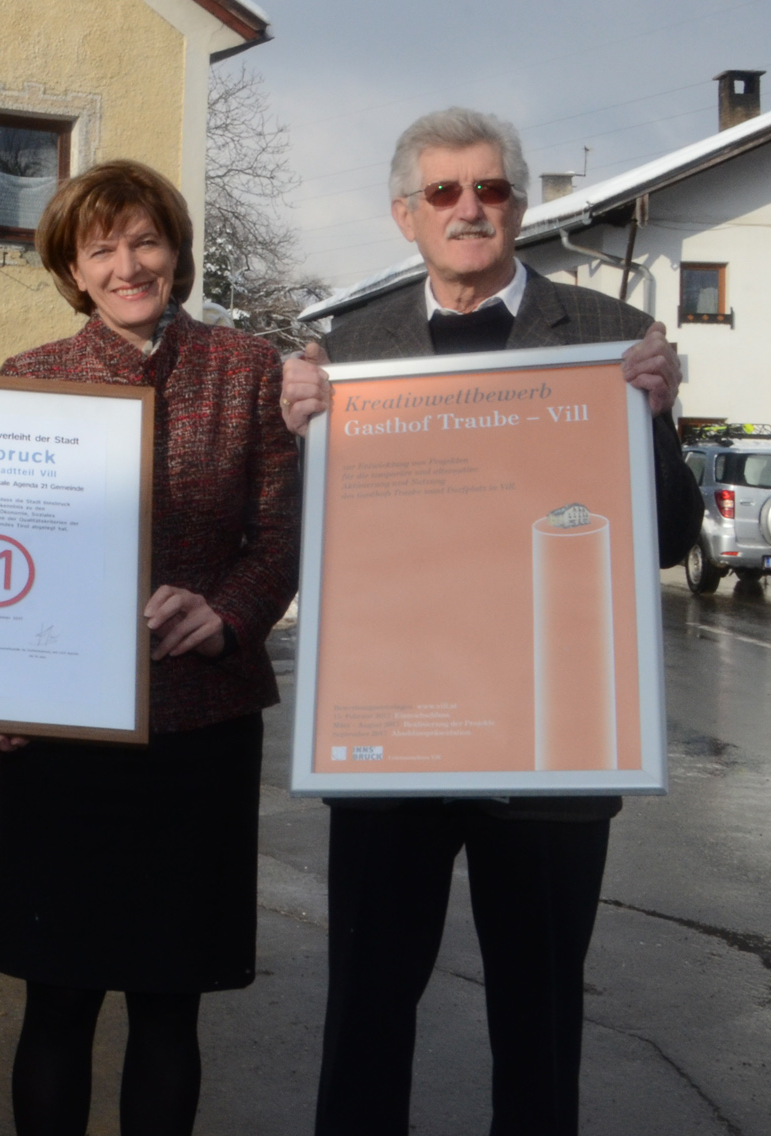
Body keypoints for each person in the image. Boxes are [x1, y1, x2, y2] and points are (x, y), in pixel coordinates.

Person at [280, 107, 702, 1136]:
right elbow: (309, 546)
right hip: (393, 741)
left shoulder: (608, 337)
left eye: (491, 189)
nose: (469, 208)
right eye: (444, 191)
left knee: (540, 1020)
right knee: (367, 1014)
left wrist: (652, 422)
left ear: (518, 206)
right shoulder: (349, 355)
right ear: (405, 215)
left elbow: (668, 537)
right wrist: (300, 440)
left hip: (552, 746)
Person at [0, 160, 298, 1136]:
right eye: (102, 248)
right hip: (62, 738)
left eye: (145, 241)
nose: (128, 266)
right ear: (72, 271)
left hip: (199, 731)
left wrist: (228, 613)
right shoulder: (28, 378)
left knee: (168, 1004)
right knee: (57, 1000)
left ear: (176, 252)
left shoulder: (247, 368)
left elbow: (280, 534)